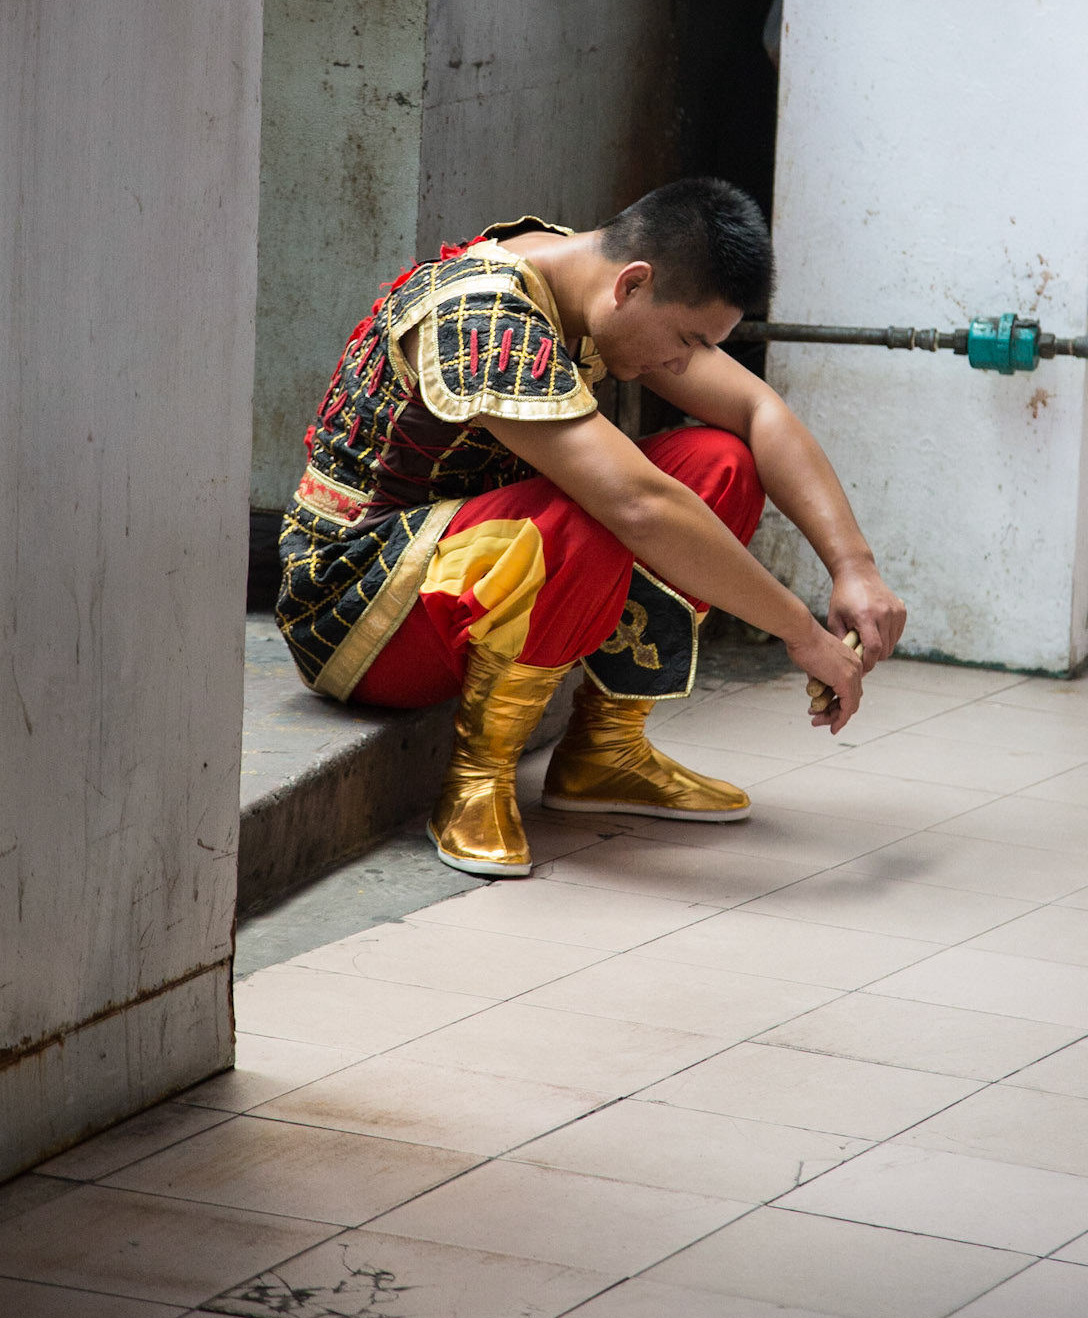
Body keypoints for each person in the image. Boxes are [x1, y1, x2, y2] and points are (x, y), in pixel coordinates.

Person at [277, 179, 907, 878]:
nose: (681, 362)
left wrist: (854, 567)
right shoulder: (486, 317)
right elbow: (635, 505)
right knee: (601, 507)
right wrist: (803, 634)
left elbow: (759, 413)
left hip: (477, 565)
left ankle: (605, 753)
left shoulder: (586, 283)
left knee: (718, 462)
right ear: (632, 285)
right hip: (356, 610)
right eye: (685, 340)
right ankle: (477, 781)